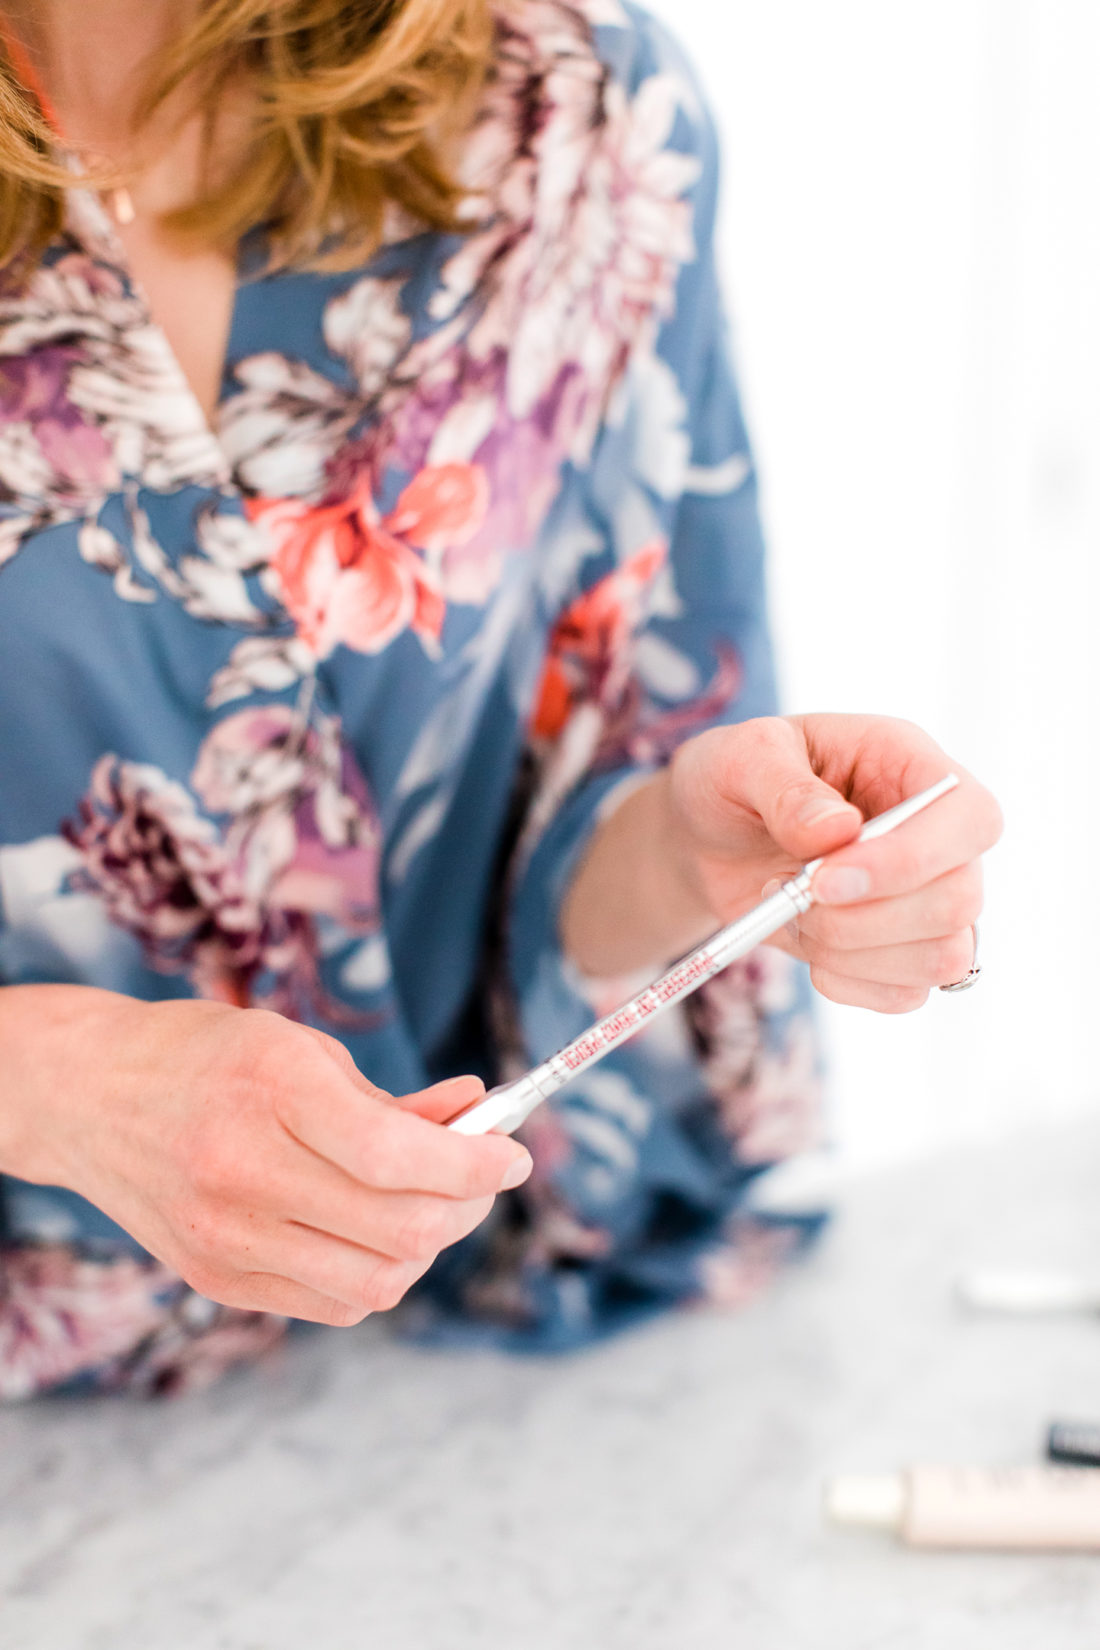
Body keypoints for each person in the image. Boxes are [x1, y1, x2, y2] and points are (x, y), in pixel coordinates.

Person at [0, 0, 1001, 1399]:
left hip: (397, 1410)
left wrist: (684, 856)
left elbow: (550, 809)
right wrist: (48, 1076)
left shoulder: (568, 116)